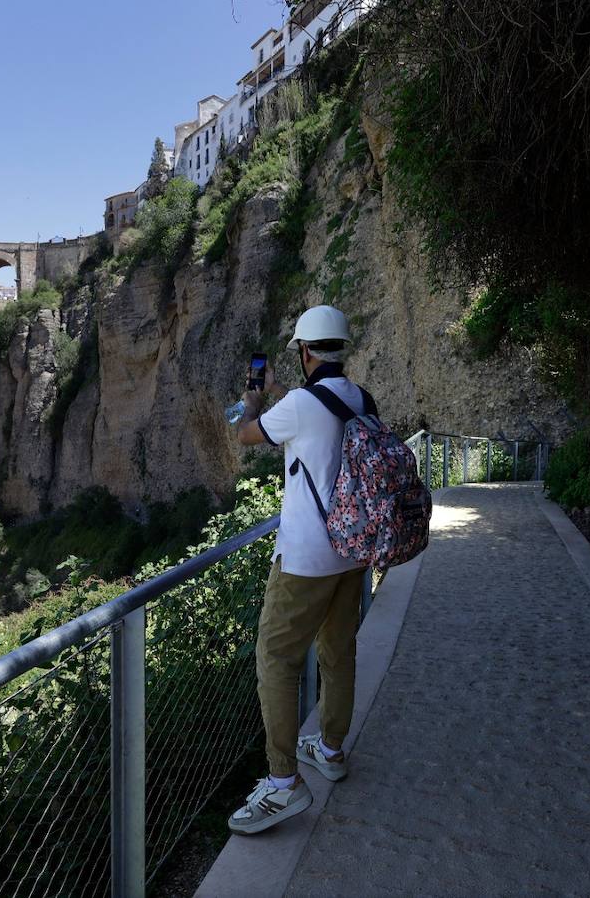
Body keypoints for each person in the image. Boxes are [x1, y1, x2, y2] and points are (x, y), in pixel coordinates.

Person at [227, 304, 371, 835]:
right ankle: (330, 750)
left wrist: (252, 399)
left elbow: (246, 436)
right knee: (338, 652)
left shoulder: (298, 404)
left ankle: (283, 783)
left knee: (276, 658)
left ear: (307, 352)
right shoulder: (361, 397)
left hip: (307, 556)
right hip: (354, 550)